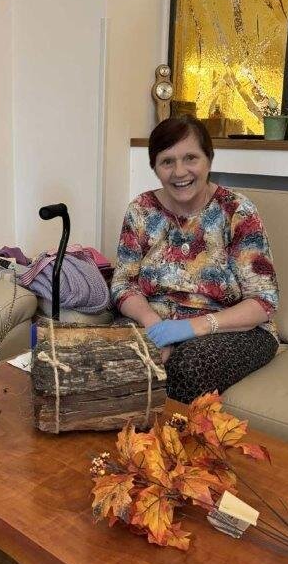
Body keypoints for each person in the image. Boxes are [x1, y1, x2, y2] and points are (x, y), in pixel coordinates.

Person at [111, 115, 279, 404]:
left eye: (191, 158)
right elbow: (123, 283)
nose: (180, 171)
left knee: (188, 367)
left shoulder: (236, 211)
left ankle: (169, 434)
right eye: (167, 161)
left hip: (232, 329)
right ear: (154, 168)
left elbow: (264, 302)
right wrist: (153, 326)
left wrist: (191, 329)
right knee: (109, 353)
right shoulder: (140, 210)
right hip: (158, 321)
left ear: (209, 160)